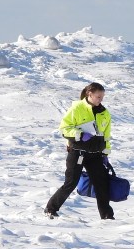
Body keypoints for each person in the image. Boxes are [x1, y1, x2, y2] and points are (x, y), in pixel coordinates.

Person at [45, 82, 115, 220]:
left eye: (102, 97)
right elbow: (65, 128)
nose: (100, 100)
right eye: (98, 97)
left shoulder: (104, 113)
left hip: (95, 154)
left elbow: (106, 135)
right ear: (89, 94)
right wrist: (80, 134)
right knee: (71, 182)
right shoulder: (77, 108)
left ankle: (107, 216)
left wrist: (105, 153)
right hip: (78, 152)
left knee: (101, 184)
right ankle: (51, 209)